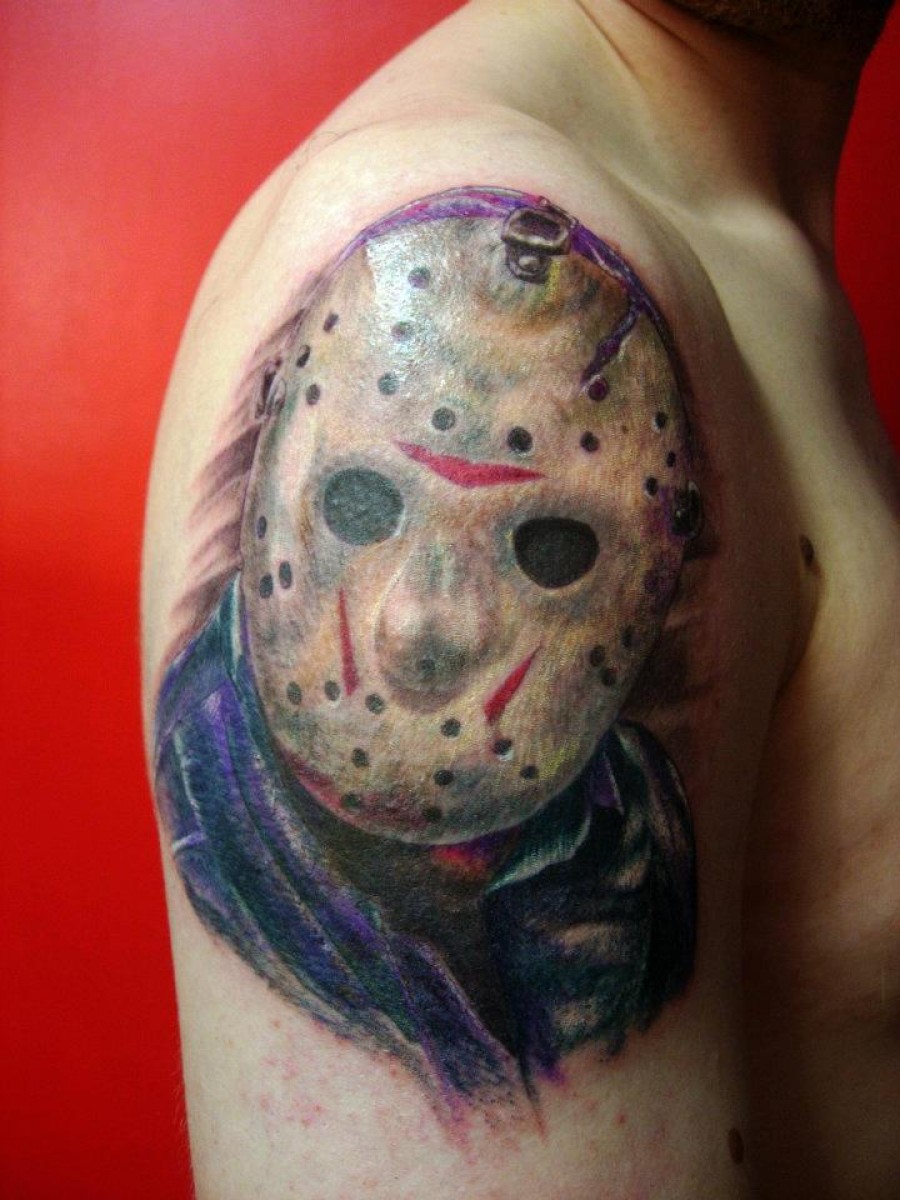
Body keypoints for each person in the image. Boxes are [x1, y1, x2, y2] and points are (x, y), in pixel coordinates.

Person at [142, 2, 900, 1197]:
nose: (420, 632)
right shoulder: (457, 235)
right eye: (361, 508)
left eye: (548, 547)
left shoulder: (745, 252)